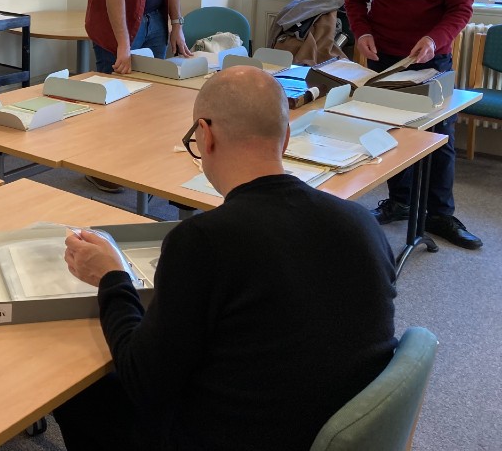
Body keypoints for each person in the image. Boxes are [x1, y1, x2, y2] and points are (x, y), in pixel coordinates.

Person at [54, 66, 397, 450]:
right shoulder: (361, 222)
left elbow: (142, 383)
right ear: (285, 139)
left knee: (75, 387)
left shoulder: (202, 241)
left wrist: (112, 277)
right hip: (327, 426)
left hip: (232, 436)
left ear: (205, 134)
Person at [344, 0, 481, 250]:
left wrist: (435, 39)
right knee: (390, 132)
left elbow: (461, 7)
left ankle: (439, 214)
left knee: (439, 136)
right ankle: (400, 201)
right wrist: (362, 31)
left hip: (431, 57)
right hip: (384, 54)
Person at [83, 0, 193, 193]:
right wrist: (123, 46)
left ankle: (137, 166)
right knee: (113, 101)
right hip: (116, 26)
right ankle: (99, 168)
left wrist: (177, 24)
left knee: (150, 100)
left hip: (154, 20)